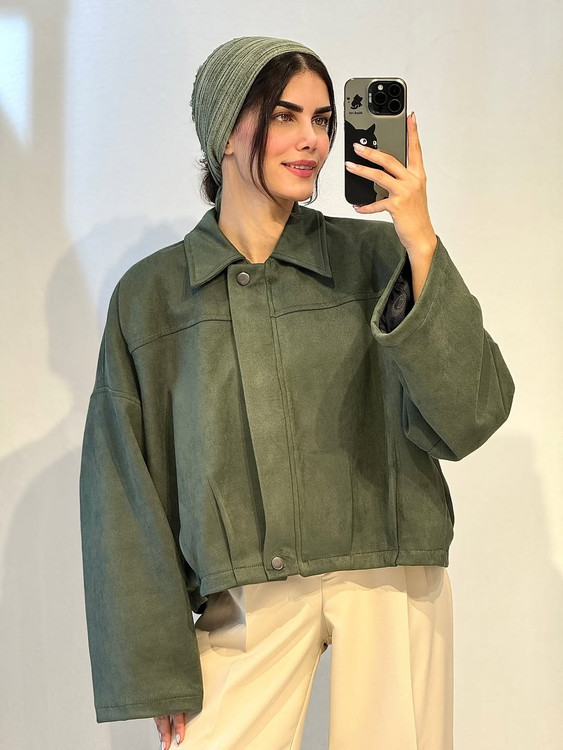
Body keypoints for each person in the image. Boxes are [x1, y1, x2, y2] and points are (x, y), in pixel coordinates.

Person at [79, 36, 515, 750]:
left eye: (322, 119)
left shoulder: (376, 257)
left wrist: (419, 239)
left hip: (388, 576)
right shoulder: (152, 296)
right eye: (284, 116)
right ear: (225, 130)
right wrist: (157, 669)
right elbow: (124, 492)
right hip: (247, 594)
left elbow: (471, 414)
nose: (312, 139)